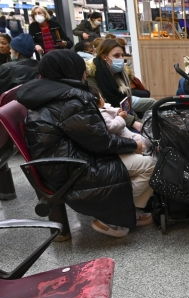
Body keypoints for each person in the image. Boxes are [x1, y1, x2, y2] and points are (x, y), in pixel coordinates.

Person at [17, 51, 156, 238]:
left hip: (61, 163)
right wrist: (134, 146)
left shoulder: (47, 92)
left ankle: (125, 211)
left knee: (140, 154)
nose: (85, 73)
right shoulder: (70, 100)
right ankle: (113, 217)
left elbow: (92, 137)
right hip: (75, 169)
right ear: (70, 70)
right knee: (151, 163)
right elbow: (99, 142)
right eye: (82, 69)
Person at [86, 39, 156, 124]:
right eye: (116, 56)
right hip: (110, 119)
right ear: (104, 57)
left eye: (122, 55)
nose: (121, 59)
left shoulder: (121, 73)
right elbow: (103, 106)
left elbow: (126, 103)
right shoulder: (92, 75)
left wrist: (138, 121)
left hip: (123, 113)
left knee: (154, 104)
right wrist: (133, 122)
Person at [90, 86, 152, 151]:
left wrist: (118, 110)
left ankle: (152, 143)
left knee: (143, 138)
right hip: (122, 137)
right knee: (141, 143)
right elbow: (111, 128)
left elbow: (111, 109)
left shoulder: (104, 107)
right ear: (100, 101)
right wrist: (120, 117)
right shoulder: (102, 114)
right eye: (101, 97)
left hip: (125, 131)